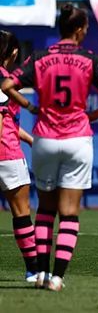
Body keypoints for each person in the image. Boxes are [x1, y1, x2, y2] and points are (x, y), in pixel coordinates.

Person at [1, 4, 98, 291]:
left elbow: (8, 85)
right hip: (77, 138)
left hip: (45, 136)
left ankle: (40, 274)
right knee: (69, 212)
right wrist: (91, 115)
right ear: (80, 29)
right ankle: (57, 277)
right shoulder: (89, 59)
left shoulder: (40, 57)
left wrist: (31, 105)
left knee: (45, 210)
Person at [0, 30, 38, 282]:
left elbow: (10, 121)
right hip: (7, 154)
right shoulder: (5, 79)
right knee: (22, 212)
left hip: (10, 145)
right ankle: (33, 270)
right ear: (14, 52)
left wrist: (32, 140)